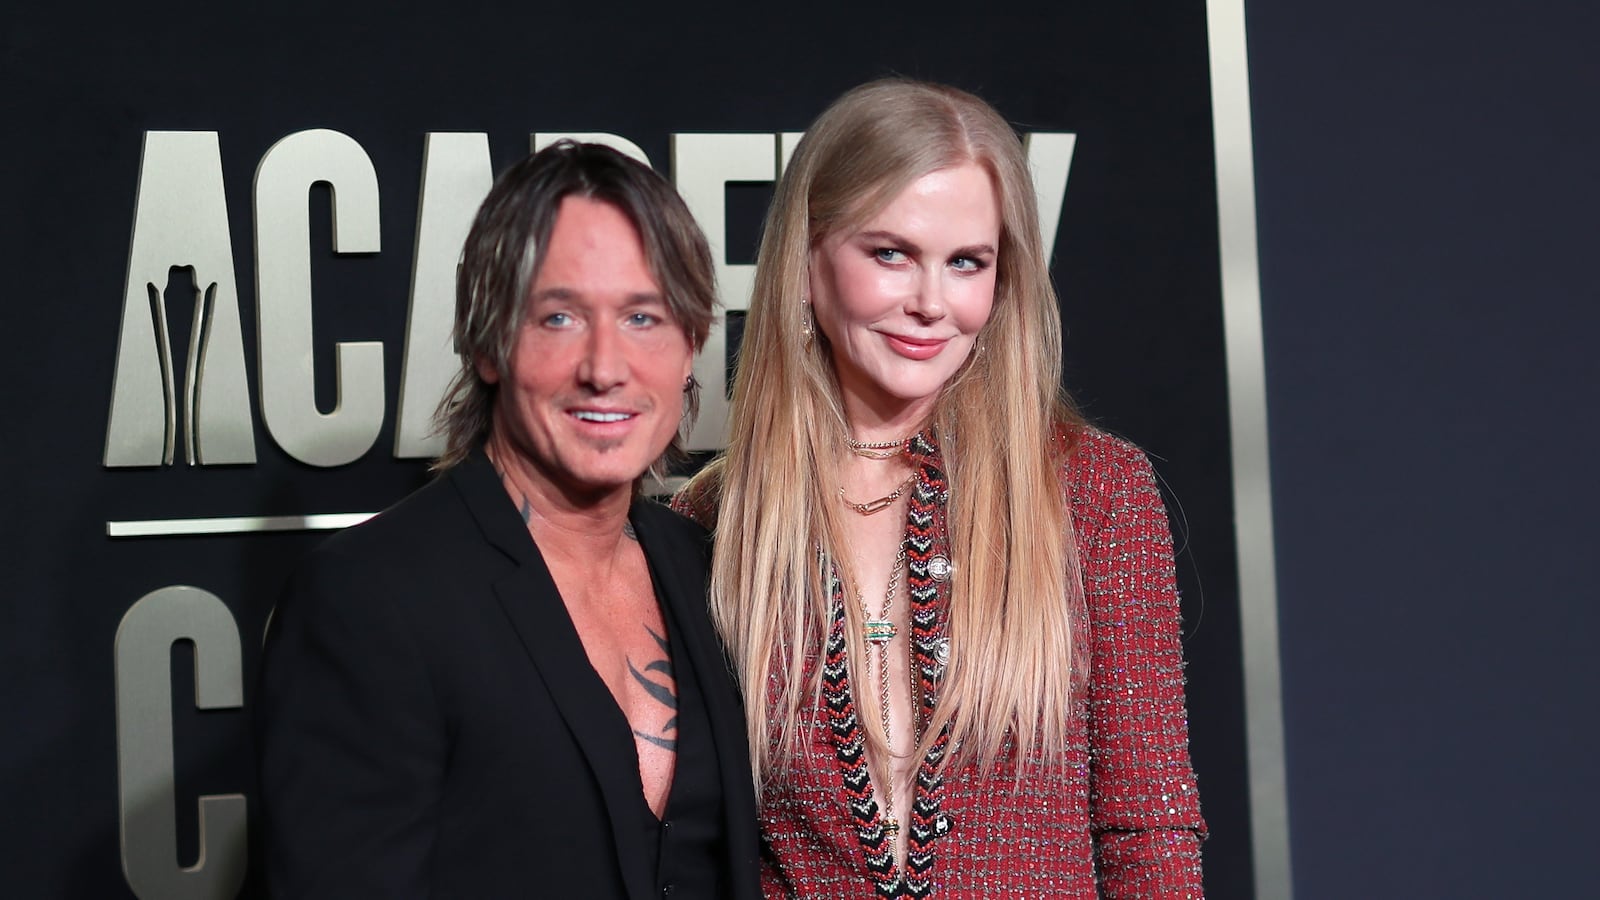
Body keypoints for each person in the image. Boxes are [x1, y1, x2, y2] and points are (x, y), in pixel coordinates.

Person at [674, 79, 1206, 897]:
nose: (930, 303)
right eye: (890, 253)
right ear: (807, 265)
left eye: (967, 263)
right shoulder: (714, 522)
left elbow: (1150, 832)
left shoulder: (1095, 492)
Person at [255, 141, 759, 900]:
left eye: (643, 317)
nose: (605, 365)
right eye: (559, 316)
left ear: (690, 345)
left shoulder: (705, 568)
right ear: (488, 343)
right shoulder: (368, 600)